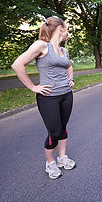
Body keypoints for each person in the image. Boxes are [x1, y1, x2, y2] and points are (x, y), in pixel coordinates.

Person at [12, 16, 76, 180]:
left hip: (66, 95)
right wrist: (33, 87)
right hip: (49, 98)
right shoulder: (41, 45)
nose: (68, 33)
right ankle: (50, 163)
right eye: (67, 29)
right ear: (60, 28)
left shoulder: (64, 50)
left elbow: (69, 66)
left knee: (63, 126)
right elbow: (18, 64)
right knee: (54, 132)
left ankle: (62, 158)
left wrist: (71, 79)